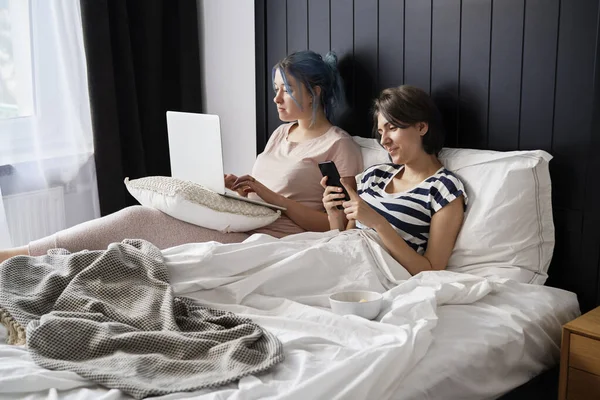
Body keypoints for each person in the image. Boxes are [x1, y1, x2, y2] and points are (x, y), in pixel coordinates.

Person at [0, 50, 362, 263]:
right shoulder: (282, 133)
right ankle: (30, 256)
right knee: (147, 216)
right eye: (276, 90)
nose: (277, 99)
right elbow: (264, 188)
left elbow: (340, 227)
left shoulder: (338, 146)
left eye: (287, 91)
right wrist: (240, 187)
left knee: (138, 222)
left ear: (314, 93)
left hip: (274, 239)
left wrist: (271, 197)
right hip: (245, 219)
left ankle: (20, 255)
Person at [321, 85, 467, 276]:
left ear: (421, 127)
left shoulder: (443, 189)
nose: (384, 141)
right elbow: (345, 240)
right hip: (341, 262)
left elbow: (432, 270)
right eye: (381, 132)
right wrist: (333, 215)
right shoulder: (375, 175)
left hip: (373, 274)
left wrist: (379, 224)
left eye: (392, 128)